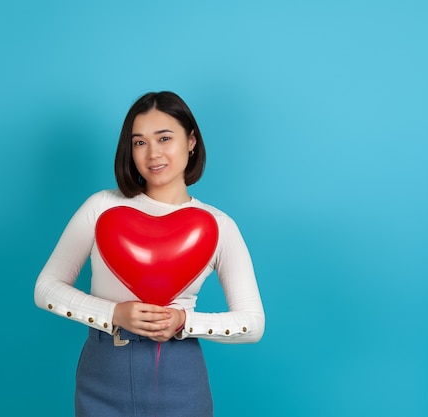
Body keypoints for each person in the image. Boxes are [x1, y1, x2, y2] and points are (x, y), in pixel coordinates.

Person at [34, 91, 265, 417]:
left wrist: (184, 321)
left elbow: (253, 324)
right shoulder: (101, 207)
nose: (152, 153)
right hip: (101, 375)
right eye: (139, 142)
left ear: (191, 141)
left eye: (165, 138)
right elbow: (46, 288)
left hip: (179, 376)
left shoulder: (218, 226)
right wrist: (115, 313)